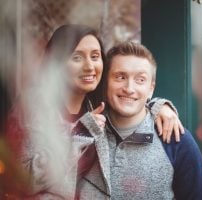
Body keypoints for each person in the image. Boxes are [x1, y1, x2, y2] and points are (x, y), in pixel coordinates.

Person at [3, 24, 183, 199]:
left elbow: (130, 99)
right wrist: (78, 136)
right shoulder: (33, 108)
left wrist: (159, 107)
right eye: (77, 57)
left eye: (95, 56)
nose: (89, 66)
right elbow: (20, 181)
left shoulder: (96, 106)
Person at [99, 41, 202, 199]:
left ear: (151, 88)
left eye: (140, 80)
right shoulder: (91, 134)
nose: (129, 88)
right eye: (120, 77)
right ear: (105, 82)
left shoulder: (177, 140)